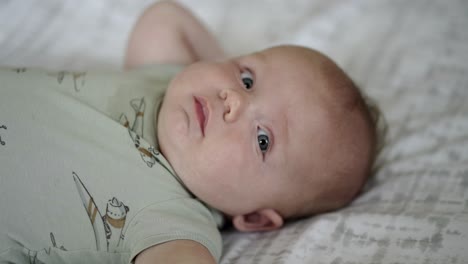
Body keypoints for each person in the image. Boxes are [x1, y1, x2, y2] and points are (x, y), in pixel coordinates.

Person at [0, 1, 378, 264]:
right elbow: (165, 17)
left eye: (263, 139)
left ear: (255, 219)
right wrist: (209, 71)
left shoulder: (176, 227)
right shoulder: (168, 79)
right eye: (247, 79)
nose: (233, 101)